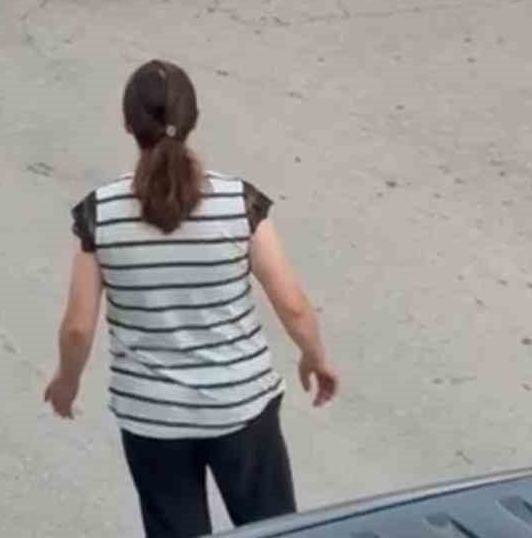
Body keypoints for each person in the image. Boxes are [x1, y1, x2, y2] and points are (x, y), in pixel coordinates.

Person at [44, 60, 338, 538]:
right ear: (194, 118)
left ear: (128, 124)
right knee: (272, 529)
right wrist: (315, 356)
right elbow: (293, 304)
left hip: (153, 418)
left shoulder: (100, 213)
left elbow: (79, 327)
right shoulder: (238, 202)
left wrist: (66, 382)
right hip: (242, 405)